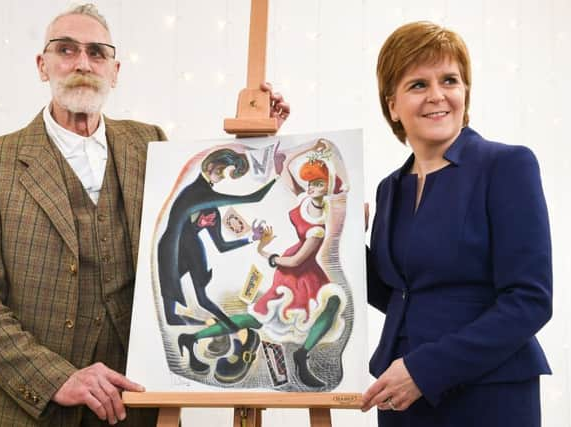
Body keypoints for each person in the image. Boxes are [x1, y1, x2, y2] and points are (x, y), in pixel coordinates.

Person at [0, 4, 289, 427]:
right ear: (42, 65)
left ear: (115, 70)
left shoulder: (150, 142)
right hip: (31, 408)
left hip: (134, 401)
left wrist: (263, 143)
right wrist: (54, 378)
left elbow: (206, 211)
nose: (82, 62)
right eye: (66, 49)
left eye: (97, 52)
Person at [361, 21, 552, 426]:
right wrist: (345, 242)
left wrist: (424, 371)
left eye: (449, 80)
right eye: (417, 84)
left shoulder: (507, 166)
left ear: (465, 92)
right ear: (392, 105)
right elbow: (398, 296)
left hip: (488, 396)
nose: (437, 96)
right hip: (403, 400)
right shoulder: (388, 189)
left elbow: (529, 300)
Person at [177, 139, 347, 388]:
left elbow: (299, 259)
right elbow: (287, 164)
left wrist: (271, 256)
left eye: (319, 183)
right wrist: (312, 146)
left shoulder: (318, 227)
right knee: (260, 317)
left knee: (330, 304)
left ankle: (301, 355)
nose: (312, 187)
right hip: (291, 271)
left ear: (327, 187)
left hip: (301, 268)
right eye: (311, 182)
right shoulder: (302, 199)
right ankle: (194, 339)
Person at [157, 148, 277, 330]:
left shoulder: (212, 210)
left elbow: (221, 245)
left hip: (191, 247)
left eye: (224, 173)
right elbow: (255, 197)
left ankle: (229, 325)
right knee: (170, 313)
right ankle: (214, 324)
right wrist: (277, 175)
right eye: (220, 172)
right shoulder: (196, 193)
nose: (221, 177)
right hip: (170, 247)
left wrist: (251, 238)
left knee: (202, 298)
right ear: (210, 167)